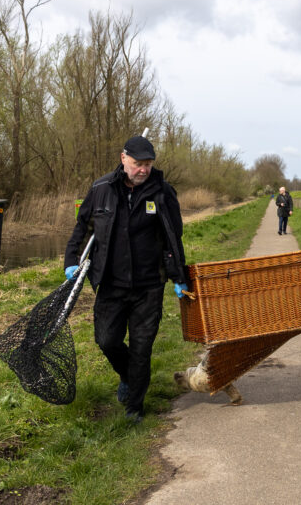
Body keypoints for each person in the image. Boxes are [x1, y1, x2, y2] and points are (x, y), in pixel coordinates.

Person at [64, 135, 188, 424]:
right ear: (123, 159)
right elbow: (82, 228)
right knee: (107, 340)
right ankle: (127, 376)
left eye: (147, 164)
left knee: (142, 347)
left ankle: (134, 409)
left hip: (148, 285)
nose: (143, 169)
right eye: (137, 164)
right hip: (110, 283)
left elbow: (174, 238)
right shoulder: (101, 189)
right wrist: (71, 261)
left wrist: (179, 277)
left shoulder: (162, 192)